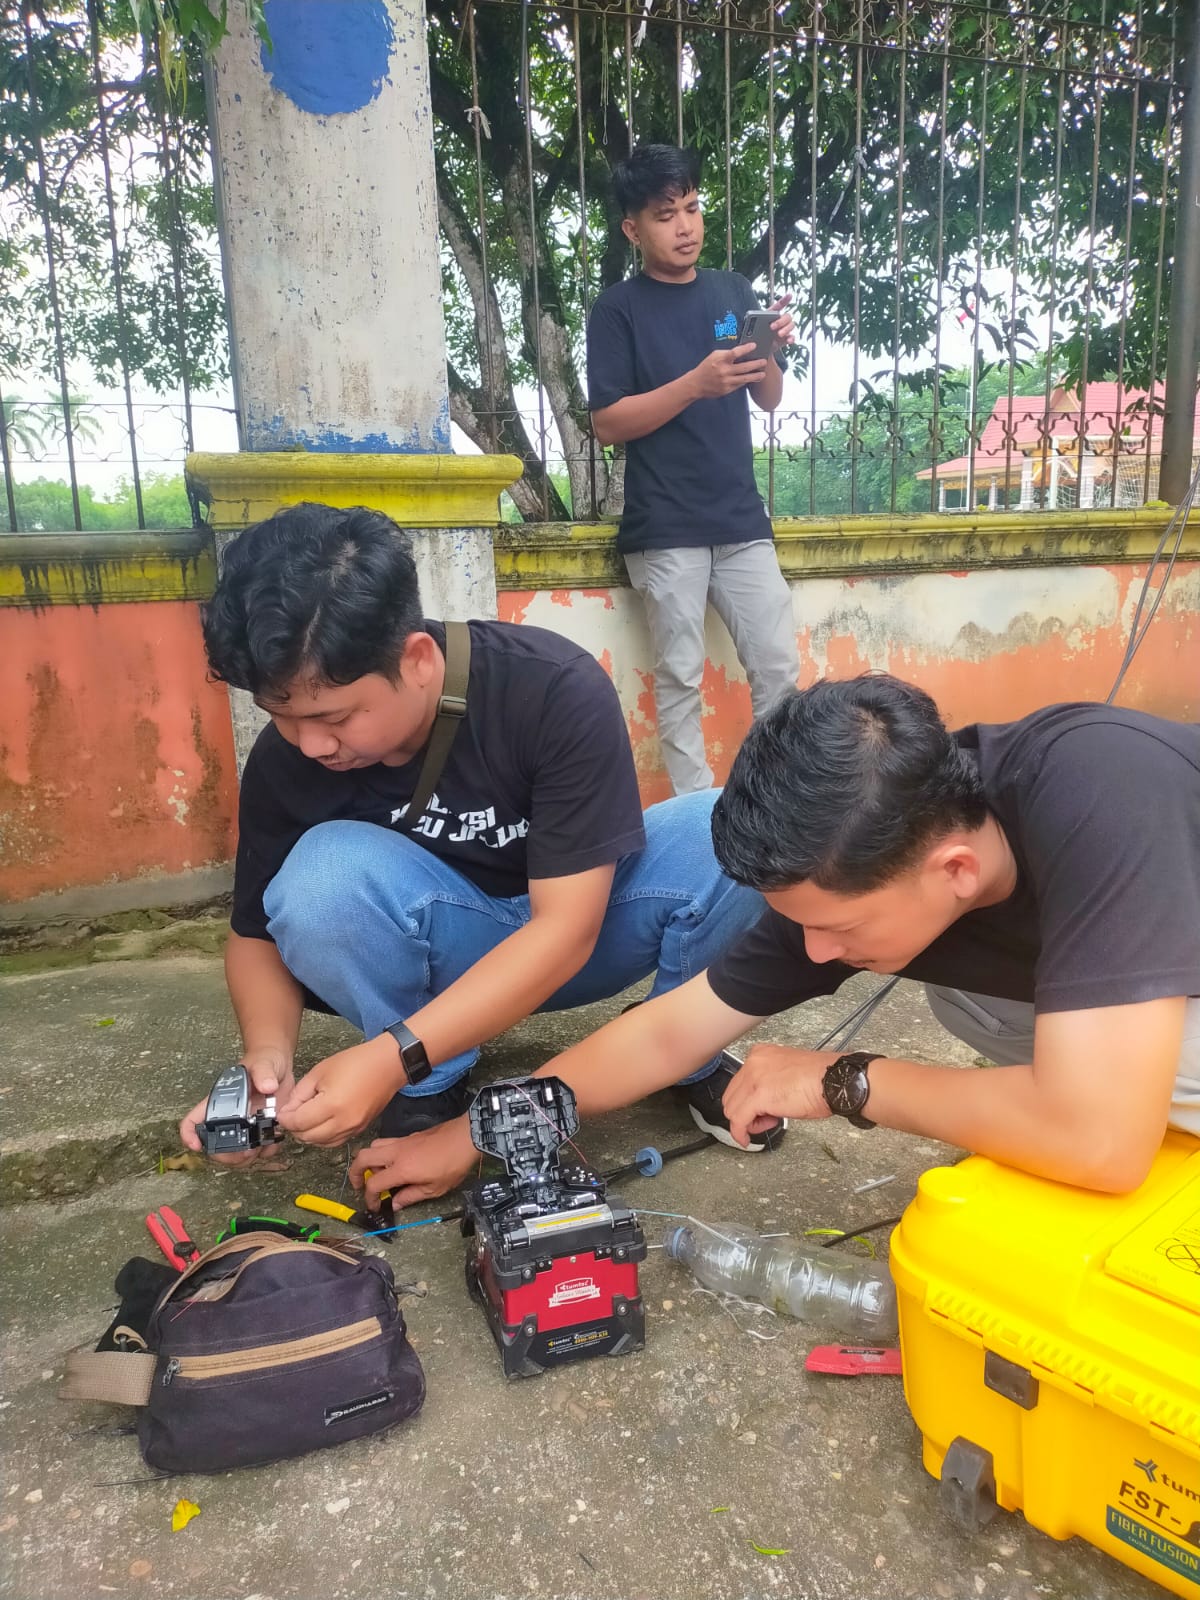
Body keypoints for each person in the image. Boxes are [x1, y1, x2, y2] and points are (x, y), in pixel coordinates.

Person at [364, 672, 1199, 1209]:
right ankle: (1098, 1089)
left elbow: (1101, 1145)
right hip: (1147, 989)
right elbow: (667, 1033)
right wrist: (474, 1133)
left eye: (836, 929)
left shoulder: (1105, 790)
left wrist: (847, 1080)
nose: (817, 952)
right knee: (969, 1004)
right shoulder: (866, 850)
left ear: (954, 869)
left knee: (1094, 1120)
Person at [179, 502, 777, 1200]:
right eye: (281, 716)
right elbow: (254, 932)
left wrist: (387, 1058)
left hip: (582, 932)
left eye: (333, 716)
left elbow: (566, 931)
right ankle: (432, 1079)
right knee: (317, 880)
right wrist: (266, 1061)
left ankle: (680, 1044)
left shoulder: (551, 688)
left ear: (416, 659)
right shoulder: (289, 760)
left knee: (737, 827)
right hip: (449, 948)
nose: (310, 743)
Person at [586, 142, 800, 797]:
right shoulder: (617, 310)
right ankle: (696, 816)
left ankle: (776, 804)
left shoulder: (732, 290)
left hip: (740, 517)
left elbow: (769, 399)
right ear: (633, 229)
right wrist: (695, 384)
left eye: (693, 208)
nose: (685, 226)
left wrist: (768, 351)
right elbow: (608, 422)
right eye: (665, 215)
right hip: (666, 525)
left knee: (778, 669)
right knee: (680, 677)